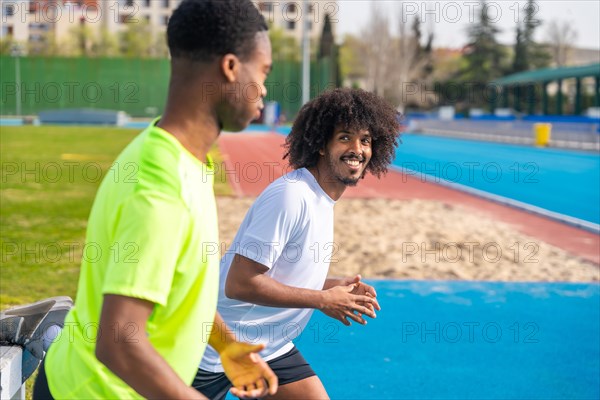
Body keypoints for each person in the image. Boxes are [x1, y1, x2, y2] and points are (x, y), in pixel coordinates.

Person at [33, 0, 278, 398]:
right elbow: (118, 341)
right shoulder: (159, 185)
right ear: (231, 68)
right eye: (263, 71)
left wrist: (226, 344)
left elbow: (179, 287)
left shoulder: (181, 158)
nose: (265, 89)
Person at [194, 88, 401, 399]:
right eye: (344, 137)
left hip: (269, 346)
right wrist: (322, 300)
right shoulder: (292, 196)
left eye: (365, 140)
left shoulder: (321, 197)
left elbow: (280, 272)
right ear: (320, 144)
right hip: (216, 349)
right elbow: (238, 284)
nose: (357, 148)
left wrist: (330, 288)